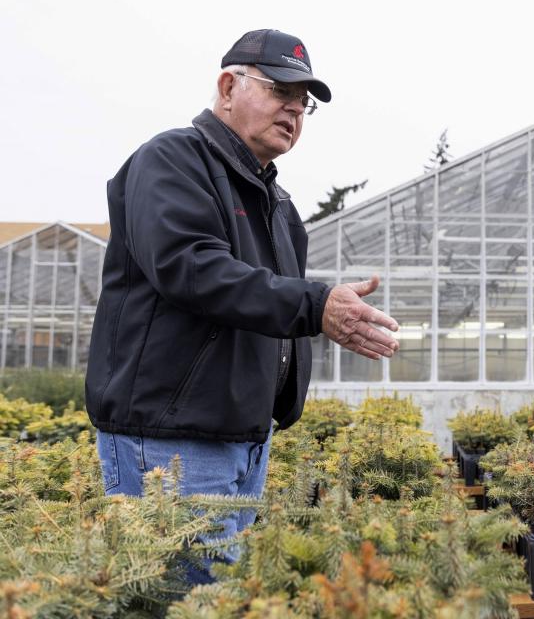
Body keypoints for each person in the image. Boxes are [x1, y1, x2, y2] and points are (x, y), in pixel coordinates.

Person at [84, 29, 399, 578]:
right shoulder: (173, 161)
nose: (294, 113)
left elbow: (264, 302)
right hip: (170, 441)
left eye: (304, 106)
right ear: (229, 86)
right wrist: (316, 305)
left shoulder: (276, 202)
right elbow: (191, 267)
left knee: (218, 593)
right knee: (185, 600)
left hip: (244, 439)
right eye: (282, 92)